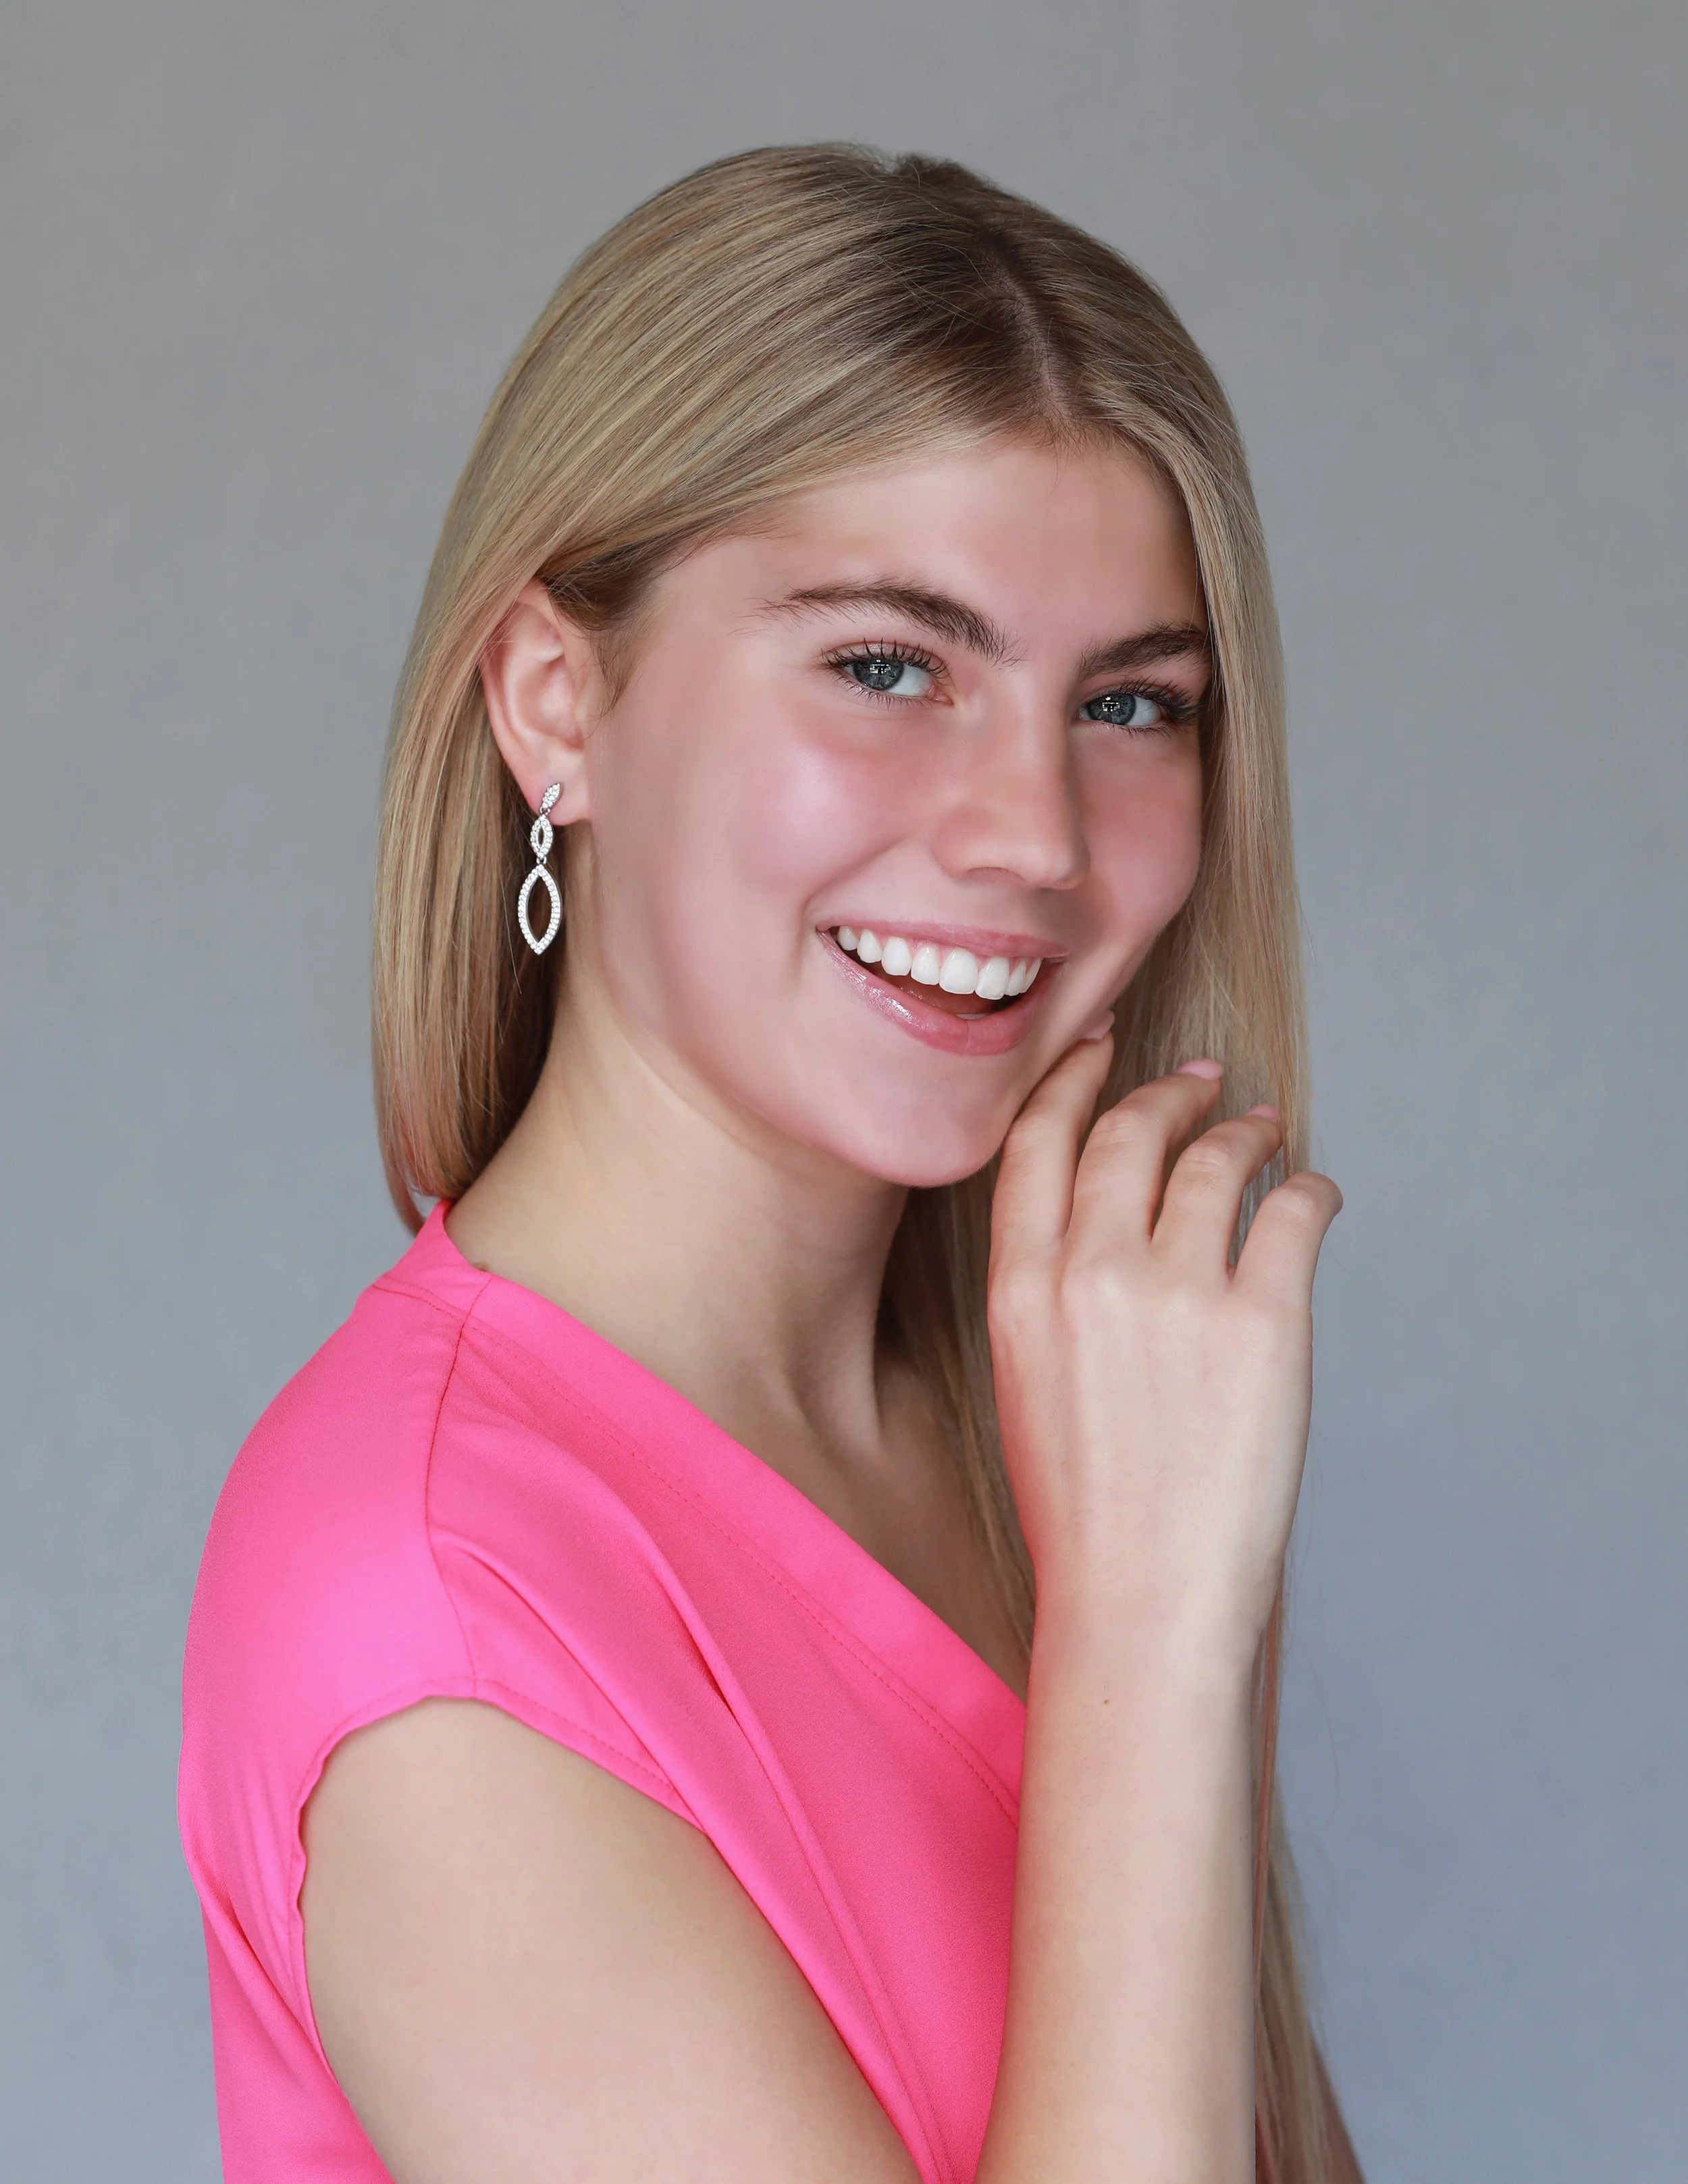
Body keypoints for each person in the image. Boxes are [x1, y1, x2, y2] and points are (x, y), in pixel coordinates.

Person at [179, 144, 1359, 2183]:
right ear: (559, 701)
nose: (1035, 835)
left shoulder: (1065, 1408)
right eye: (888, 665)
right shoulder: (437, 1616)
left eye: (1132, 703)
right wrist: (1156, 1641)